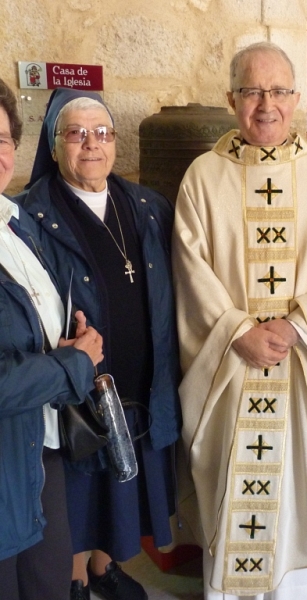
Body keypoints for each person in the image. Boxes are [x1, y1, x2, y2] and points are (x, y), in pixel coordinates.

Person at [172, 41, 307, 600]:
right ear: (231, 97)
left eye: (280, 91)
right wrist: (238, 331)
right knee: (233, 490)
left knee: (292, 493)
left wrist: (295, 327)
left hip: (302, 369)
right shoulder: (202, 178)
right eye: (254, 91)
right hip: (230, 369)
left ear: (297, 98)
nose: (267, 104)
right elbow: (191, 270)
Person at [17, 88, 181, 600]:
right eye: (77, 133)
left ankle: (102, 569)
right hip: (80, 387)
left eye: (103, 132)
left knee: (123, 489)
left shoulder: (148, 206)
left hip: (143, 377)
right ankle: (71, 579)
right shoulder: (28, 216)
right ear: (55, 143)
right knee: (79, 492)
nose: (92, 144)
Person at [0, 78, 104, 600]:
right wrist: (73, 366)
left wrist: (66, 343)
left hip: (42, 449)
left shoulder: (15, 223)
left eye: (0, 138)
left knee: (49, 582)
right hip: (2, 466)